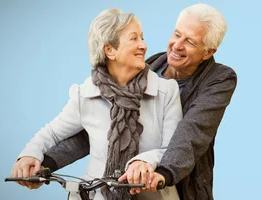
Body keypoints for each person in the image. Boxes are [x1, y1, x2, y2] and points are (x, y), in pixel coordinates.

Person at [12, 3, 237, 200]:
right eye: (177, 34)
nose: (177, 45)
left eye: (189, 41)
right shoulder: (143, 68)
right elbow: (97, 131)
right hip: (121, 184)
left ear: (208, 52)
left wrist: (160, 171)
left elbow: (191, 133)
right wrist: (44, 163)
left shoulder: (218, 80)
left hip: (177, 181)